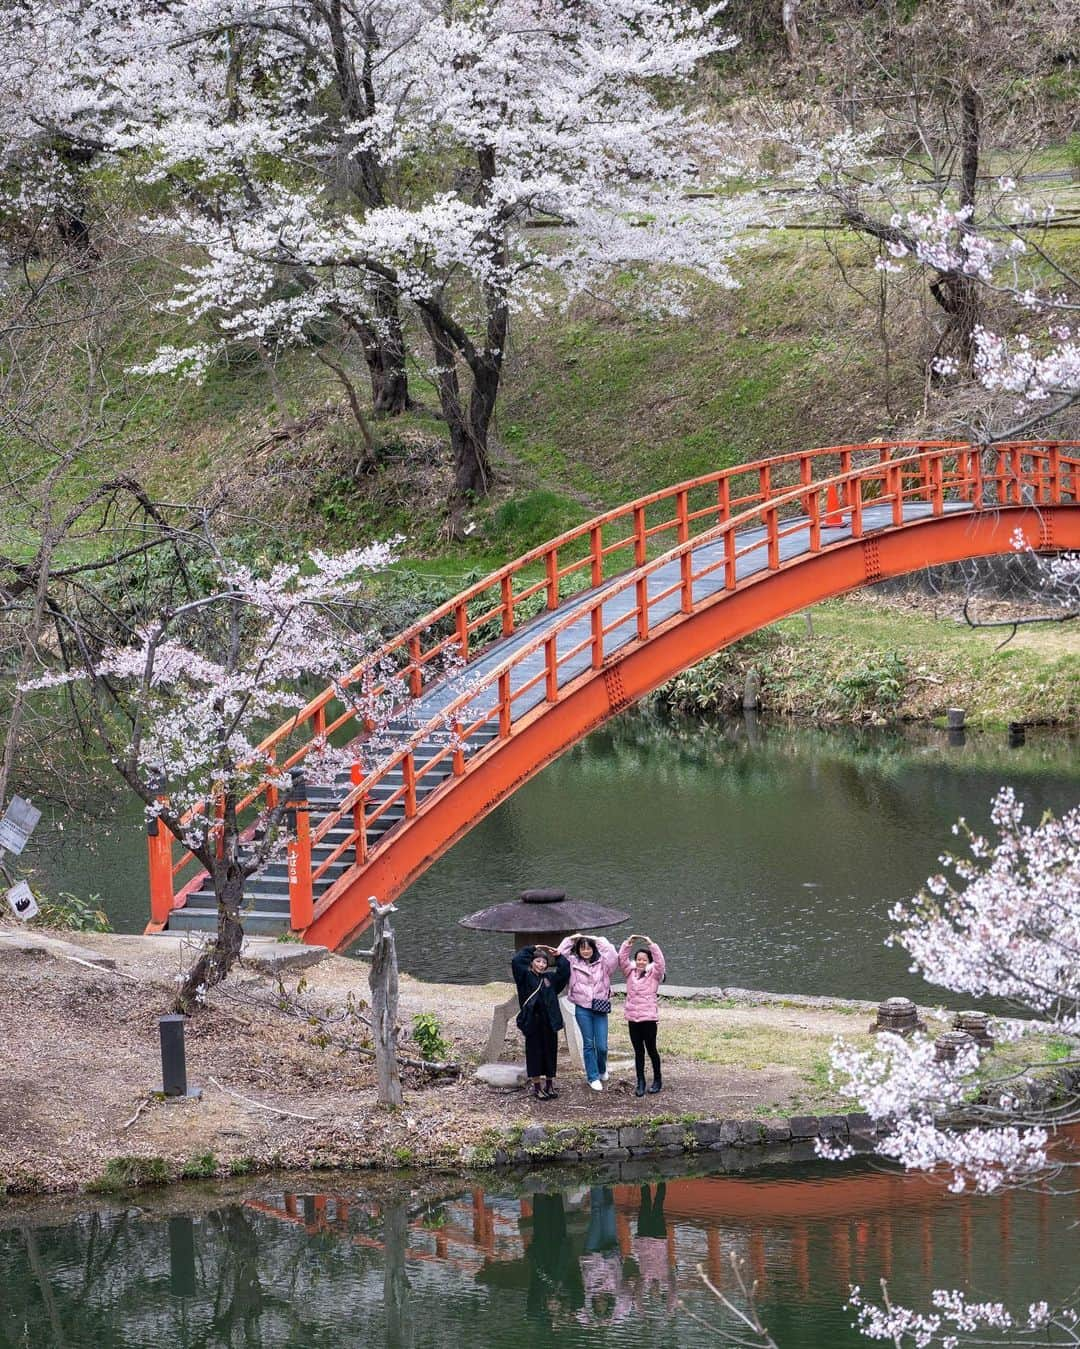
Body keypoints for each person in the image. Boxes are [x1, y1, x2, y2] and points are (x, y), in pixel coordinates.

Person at [557, 931, 619, 1091]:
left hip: (600, 1008)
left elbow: (613, 955)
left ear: (593, 948)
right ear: (577, 949)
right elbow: (559, 954)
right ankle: (592, 1077)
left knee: (602, 1045)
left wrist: (598, 939)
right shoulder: (572, 962)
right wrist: (570, 939)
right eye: (582, 948)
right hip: (582, 1008)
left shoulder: (604, 963)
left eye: (588, 948)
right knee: (589, 1044)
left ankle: (602, 1068)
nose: (585, 951)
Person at [511, 944, 571, 1100]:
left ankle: (549, 1085)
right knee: (534, 1053)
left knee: (550, 1052)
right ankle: (537, 1087)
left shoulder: (550, 978)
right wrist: (532, 948)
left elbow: (565, 972)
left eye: (544, 962)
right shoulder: (523, 976)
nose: (541, 965)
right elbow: (517, 960)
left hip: (550, 1021)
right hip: (533, 1021)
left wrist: (558, 957)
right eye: (538, 961)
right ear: (532, 962)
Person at [618, 933, 666, 1096]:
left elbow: (660, 963)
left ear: (649, 961)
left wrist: (652, 944)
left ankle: (657, 1079)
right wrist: (628, 943)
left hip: (648, 1019)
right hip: (633, 1018)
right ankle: (640, 1082)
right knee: (638, 1051)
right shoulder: (629, 972)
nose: (640, 961)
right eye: (638, 958)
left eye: (644, 959)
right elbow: (622, 959)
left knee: (651, 1049)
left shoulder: (654, 974)